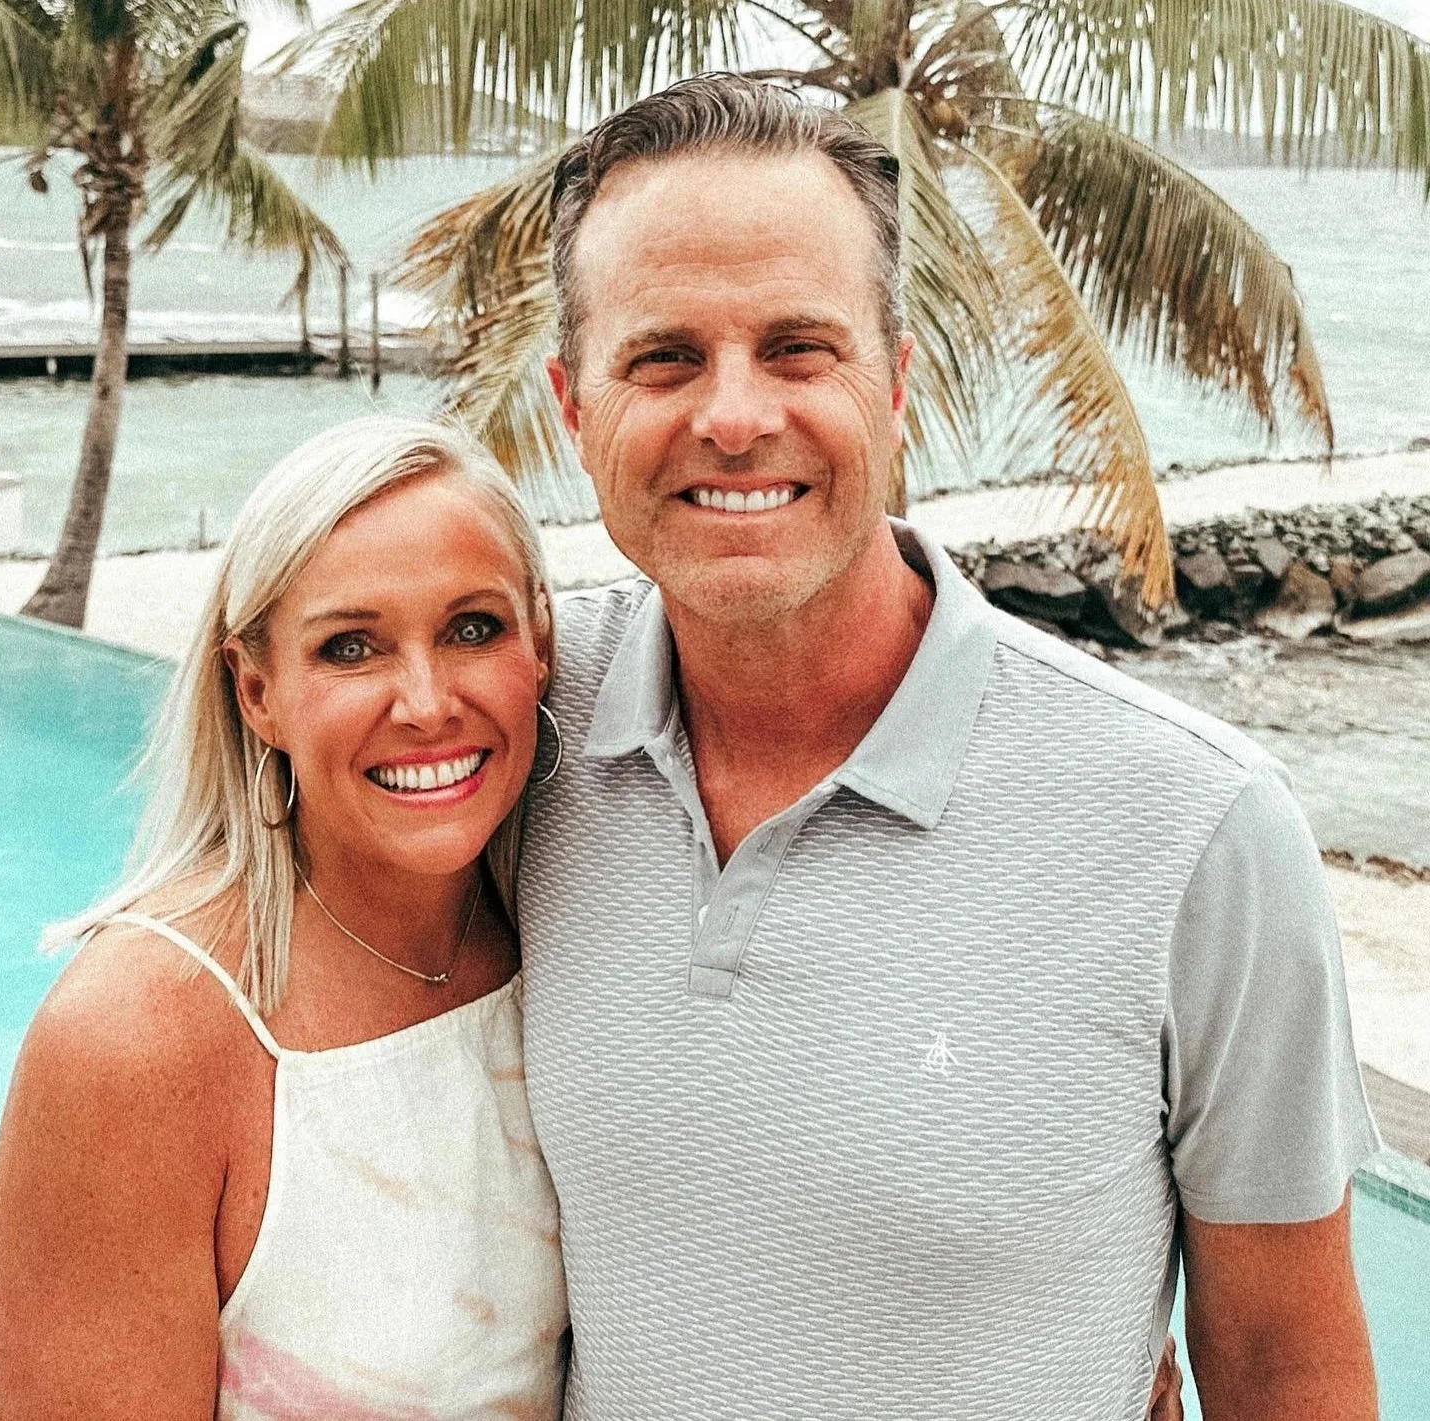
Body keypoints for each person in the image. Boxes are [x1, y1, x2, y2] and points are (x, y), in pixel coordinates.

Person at [517, 75, 1382, 1418]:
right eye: (665, 356)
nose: (735, 416)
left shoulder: (1195, 826)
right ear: (573, 409)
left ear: (898, 381)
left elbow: (1288, 1367)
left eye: (800, 349)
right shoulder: (502, 733)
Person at [0, 418, 569, 1418]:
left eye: (474, 627)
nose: (427, 701)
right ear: (256, 689)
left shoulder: (576, 926)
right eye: (352, 647)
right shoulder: (140, 1038)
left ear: (543, 643)